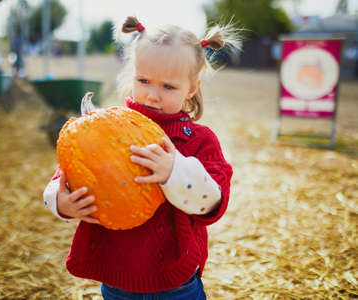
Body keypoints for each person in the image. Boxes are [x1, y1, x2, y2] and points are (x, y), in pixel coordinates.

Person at [43, 16, 238, 299]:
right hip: (117, 279)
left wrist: (176, 171)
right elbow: (68, 172)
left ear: (191, 88)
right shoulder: (107, 127)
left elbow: (215, 204)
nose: (153, 96)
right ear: (132, 75)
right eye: (144, 81)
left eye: (168, 87)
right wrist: (61, 201)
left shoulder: (198, 141)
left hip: (176, 282)